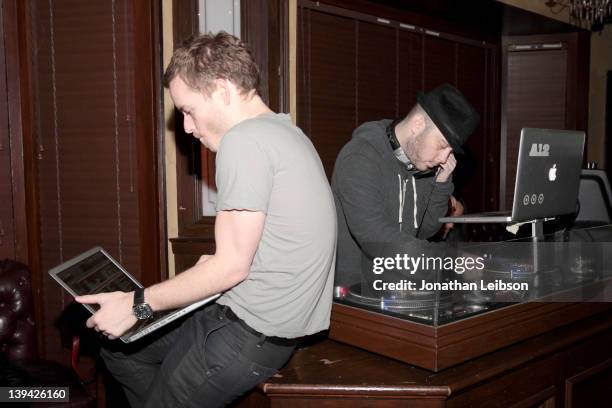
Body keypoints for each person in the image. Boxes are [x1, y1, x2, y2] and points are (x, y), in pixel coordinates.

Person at [75, 32, 337, 408]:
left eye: (187, 109)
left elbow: (230, 269)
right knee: (119, 349)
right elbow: (265, 247)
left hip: (245, 334)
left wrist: (135, 304)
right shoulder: (286, 132)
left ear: (222, 90)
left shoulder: (243, 142)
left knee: (131, 331)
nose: (186, 127)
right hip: (250, 321)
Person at [331, 84, 479, 282]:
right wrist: (449, 262)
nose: (445, 158)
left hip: (399, 287)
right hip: (358, 293)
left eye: (450, 151)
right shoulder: (360, 158)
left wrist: (441, 184)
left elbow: (425, 229)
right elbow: (376, 238)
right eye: (443, 145)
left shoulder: (421, 161)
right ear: (418, 125)